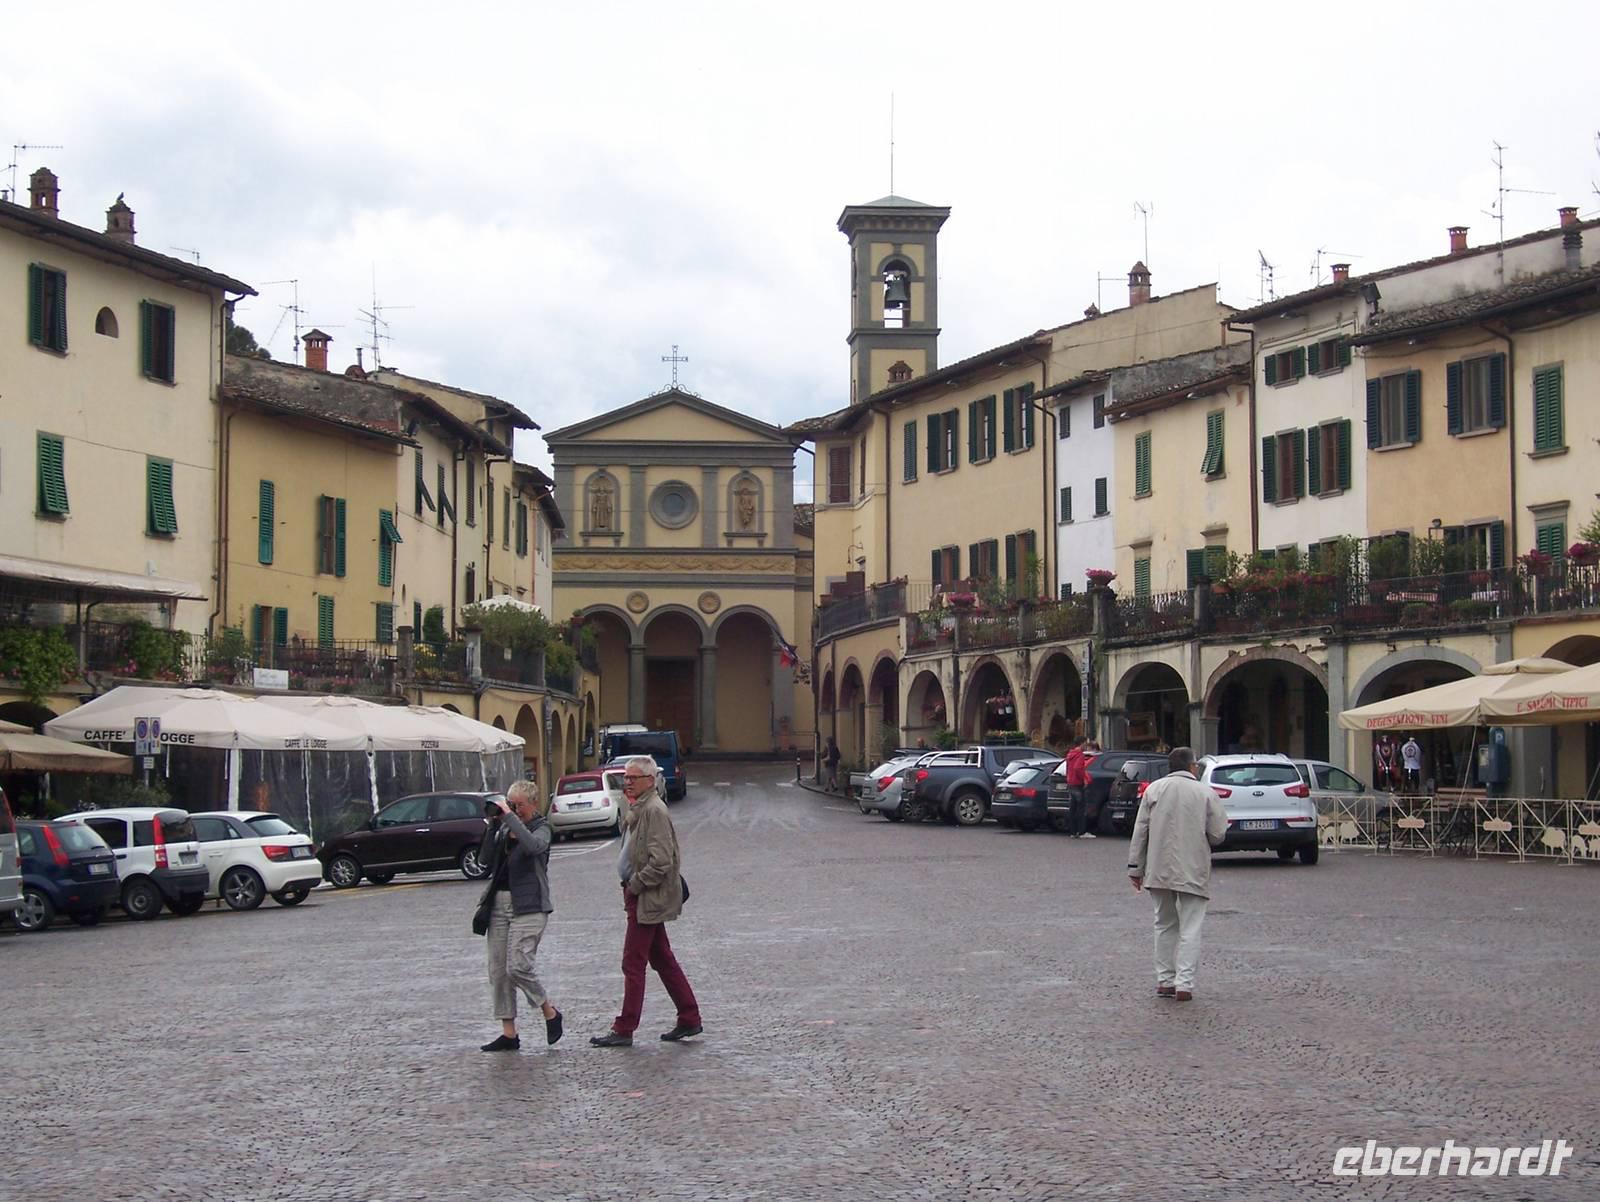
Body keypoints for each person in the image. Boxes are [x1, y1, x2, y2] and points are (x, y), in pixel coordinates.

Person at [591, 755, 703, 1048]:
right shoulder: (639, 808)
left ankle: (625, 1027)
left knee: (633, 962)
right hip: (640, 896)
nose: (627, 783)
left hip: (646, 898)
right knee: (663, 959)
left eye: (633, 778)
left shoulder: (653, 811)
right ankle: (689, 1017)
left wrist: (636, 886)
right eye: (625, 778)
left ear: (650, 781)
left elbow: (662, 861)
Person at [1127, 746, 1228, 1002]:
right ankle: (1184, 984)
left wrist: (1135, 867)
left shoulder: (1154, 790)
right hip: (1193, 867)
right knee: (1190, 927)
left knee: (1164, 923)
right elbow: (1218, 835)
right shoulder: (1205, 793)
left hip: (1158, 866)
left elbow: (1140, 831)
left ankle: (1165, 980)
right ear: (1192, 766)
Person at [479, 781, 563, 1052]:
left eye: (519, 806)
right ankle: (509, 1033)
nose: (514, 810)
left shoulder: (542, 828)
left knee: (518, 965)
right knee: (499, 971)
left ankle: (549, 1011)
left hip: (529, 905)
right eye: (510, 804)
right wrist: (494, 826)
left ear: (533, 804)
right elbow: (484, 859)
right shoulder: (505, 827)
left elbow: (533, 848)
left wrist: (511, 820)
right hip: (498, 904)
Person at [1067, 739, 1099, 838]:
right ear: (1081, 744)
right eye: (1085, 743)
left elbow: (1069, 768)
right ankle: (1081, 831)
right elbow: (1078, 768)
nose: (1086, 745)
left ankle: (1073, 831)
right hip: (1078, 783)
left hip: (1071, 782)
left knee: (1073, 808)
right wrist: (1084, 779)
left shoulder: (1070, 755)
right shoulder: (1080, 755)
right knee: (1081, 807)